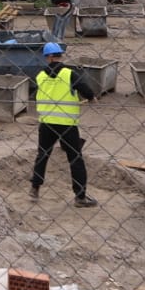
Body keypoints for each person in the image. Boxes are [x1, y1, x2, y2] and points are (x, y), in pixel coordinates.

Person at [30, 43, 101, 207]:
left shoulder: (40, 76)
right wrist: (91, 98)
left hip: (46, 123)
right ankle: (80, 197)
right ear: (60, 56)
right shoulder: (70, 74)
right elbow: (85, 89)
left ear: (47, 57)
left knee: (42, 155)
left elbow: (37, 95)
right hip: (67, 124)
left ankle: (35, 188)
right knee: (75, 159)